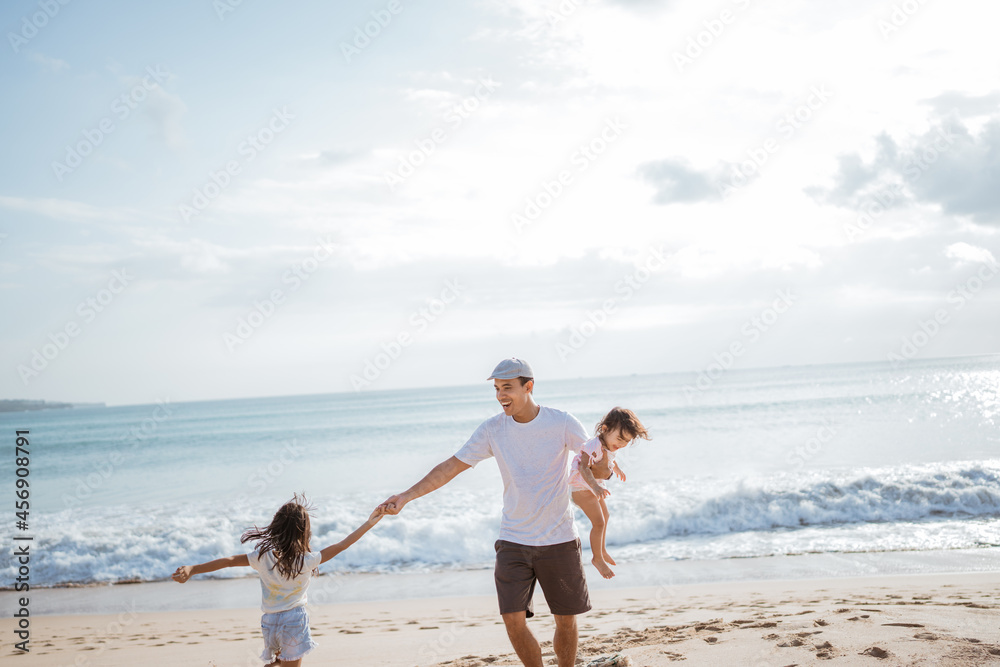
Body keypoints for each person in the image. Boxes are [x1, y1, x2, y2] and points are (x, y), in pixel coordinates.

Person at [378, 358, 590, 667]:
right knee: (512, 620)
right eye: (496, 389)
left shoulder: (562, 423)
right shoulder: (493, 429)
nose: (501, 395)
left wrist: (605, 468)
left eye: (508, 388)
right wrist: (407, 496)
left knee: (566, 621)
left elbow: (592, 458)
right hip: (514, 540)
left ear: (528, 387)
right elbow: (452, 466)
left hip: (558, 539)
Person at [172, 494, 383, 666]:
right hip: (294, 620)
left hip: (269, 622)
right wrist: (370, 521)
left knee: (280, 663)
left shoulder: (262, 557)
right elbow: (343, 544)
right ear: (304, 531)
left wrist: (192, 569)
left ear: (276, 526)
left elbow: (227, 561)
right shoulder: (307, 560)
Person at [568, 407, 650, 579]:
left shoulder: (609, 445)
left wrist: (617, 469)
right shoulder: (593, 445)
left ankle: (602, 550)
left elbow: (610, 459)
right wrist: (596, 486)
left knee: (606, 515)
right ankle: (597, 558)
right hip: (580, 487)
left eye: (626, 441)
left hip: (590, 486)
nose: (621, 444)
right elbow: (583, 466)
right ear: (605, 429)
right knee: (598, 522)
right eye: (620, 438)